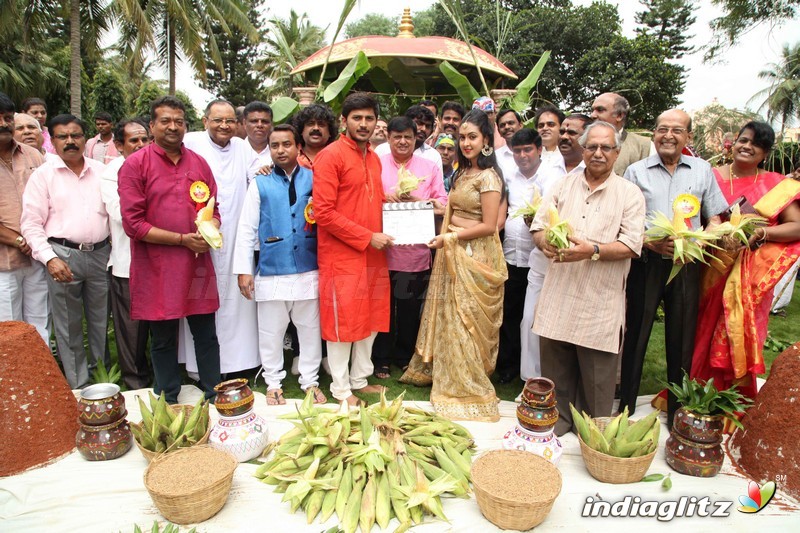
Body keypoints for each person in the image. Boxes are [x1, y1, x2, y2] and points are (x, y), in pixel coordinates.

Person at [531, 121, 646, 436]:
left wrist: (592, 250)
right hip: (559, 296)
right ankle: (557, 425)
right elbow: (539, 228)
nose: (598, 153)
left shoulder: (629, 194)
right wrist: (546, 243)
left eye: (605, 147)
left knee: (598, 384)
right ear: (583, 149)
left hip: (600, 301)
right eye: (592, 146)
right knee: (555, 376)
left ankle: (594, 435)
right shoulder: (562, 186)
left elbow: (632, 245)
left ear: (617, 152)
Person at [619, 109, 728, 424]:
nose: (669, 135)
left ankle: (678, 410)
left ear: (688, 137)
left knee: (681, 338)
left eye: (677, 130)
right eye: (662, 129)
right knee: (637, 333)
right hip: (648, 261)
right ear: (654, 134)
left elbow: (716, 218)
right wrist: (647, 242)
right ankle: (625, 405)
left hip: (687, 264)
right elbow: (624, 220)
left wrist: (698, 243)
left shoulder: (702, 170)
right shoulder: (636, 171)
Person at [401, 109, 508, 422]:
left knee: (468, 320)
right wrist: (435, 208)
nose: (466, 143)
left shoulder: (489, 177)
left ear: (486, 140)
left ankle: (468, 380)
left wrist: (451, 235)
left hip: (476, 256)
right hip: (454, 252)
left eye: (472, 137)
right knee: (451, 316)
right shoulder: (463, 173)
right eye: (462, 137)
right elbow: (454, 208)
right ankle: (449, 371)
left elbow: (489, 225)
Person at [118, 95, 221, 402]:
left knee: (206, 334)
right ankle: (169, 398)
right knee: (162, 339)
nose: (173, 127)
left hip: (198, 262)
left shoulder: (199, 163)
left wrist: (211, 227)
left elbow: (214, 207)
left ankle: (215, 394)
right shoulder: (135, 165)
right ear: (152, 125)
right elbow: (133, 225)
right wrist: (181, 239)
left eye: (179, 121)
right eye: (165, 121)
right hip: (157, 266)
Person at [691, 121, 800, 402]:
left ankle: (729, 399)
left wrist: (761, 233)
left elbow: (796, 227)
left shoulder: (776, 185)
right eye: (744, 140)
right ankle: (692, 395)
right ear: (732, 143)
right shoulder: (709, 175)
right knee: (698, 331)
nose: (747, 147)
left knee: (736, 333)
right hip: (707, 267)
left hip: (748, 276)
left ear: (764, 153)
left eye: (756, 144)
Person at [233, 124, 326, 405]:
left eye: (286, 144)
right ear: (269, 150)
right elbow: (247, 228)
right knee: (271, 330)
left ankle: (310, 380)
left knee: (310, 330)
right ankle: (273, 380)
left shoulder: (314, 179)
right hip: (273, 268)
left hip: (308, 266)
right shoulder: (260, 182)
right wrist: (244, 270)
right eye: (275, 146)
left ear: (298, 147)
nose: (281, 150)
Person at [21, 114, 110, 389]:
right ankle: (79, 387)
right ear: (53, 140)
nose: (70, 141)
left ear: (85, 138)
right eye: (63, 136)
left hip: (100, 255)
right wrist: (49, 258)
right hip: (63, 256)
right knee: (68, 326)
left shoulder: (102, 171)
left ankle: (103, 383)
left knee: (100, 322)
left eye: (75, 135)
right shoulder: (43, 176)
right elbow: (31, 224)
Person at [313, 92, 391, 407]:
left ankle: (360, 378)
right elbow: (324, 212)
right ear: (344, 121)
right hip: (342, 255)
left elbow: (371, 198)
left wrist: (394, 202)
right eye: (356, 118)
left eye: (369, 118)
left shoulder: (372, 156)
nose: (363, 124)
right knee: (343, 322)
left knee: (370, 319)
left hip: (373, 253)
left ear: (375, 122)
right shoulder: (330, 156)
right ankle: (341, 389)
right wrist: (366, 236)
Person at [180, 99, 259, 377]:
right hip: (198, 237)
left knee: (236, 300)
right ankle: (199, 369)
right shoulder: (191, 143)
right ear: (205, 121)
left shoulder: (242, 147)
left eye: (229, 121)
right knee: (201, 296)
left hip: (236, 232)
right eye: (217, 120)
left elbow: (257, 172)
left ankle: (240, 364)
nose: (224, 126)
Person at [372, 116, 447, 380]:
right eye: (397, 136)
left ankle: (404, 356)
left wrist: (420, 199)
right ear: (389, 138)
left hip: (414, 251)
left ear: (416, 139)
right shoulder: (376, 164)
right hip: (381, 249)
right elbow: (366, 196)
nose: (402, 141)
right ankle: (379, 357)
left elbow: (442, 202)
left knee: (407, 307)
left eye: (408, 136)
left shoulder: (429, 166)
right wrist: (385, 198)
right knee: (381, 306)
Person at [499, 128, 565, 383]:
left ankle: (538, 370)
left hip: (539, 258)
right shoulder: (509, 176)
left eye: (528, 149)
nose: (522, 155)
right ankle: (508, 366)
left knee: (533, 318)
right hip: (511, 256)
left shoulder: (551, 177)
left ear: (539, 150)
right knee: (510, 314)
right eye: (517, 151)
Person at [100, 118, 152, 390]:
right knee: (132, 332)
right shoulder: (111, 174)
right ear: (119, 145)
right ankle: (136, 386)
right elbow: (124, 216)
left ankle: (163, 381)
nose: (141, 145)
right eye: (134, 140)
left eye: (145, 139)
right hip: (127, 264)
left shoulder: (158, 165)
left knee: (164, 328)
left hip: (161, 262)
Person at [0, 93, 48, 343]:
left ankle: (42, 378)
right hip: (4, 264)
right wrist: (21, 240)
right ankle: (10, 382)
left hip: (37, 258)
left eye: (7, 118)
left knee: (40, 323)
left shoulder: (32, 156)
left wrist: (36, 242)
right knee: (9, 329)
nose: (3, 124)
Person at [590, 92, 654, 175]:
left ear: (619, 116)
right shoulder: (580, 143)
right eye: (592, 110)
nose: (592, 115)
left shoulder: (645, 146)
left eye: (600, 110)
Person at [375, 105, 442, 172]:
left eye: (428, 126)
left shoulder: (433, 156)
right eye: (419, 123)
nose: (424, 129)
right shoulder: (382, 150)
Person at [293, 103, 337, 168]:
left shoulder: (338, 157)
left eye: (321, 124)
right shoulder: (292, 156)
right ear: (301, 130)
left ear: (330, 132)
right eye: (310, 124)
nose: (316, 128)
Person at [243, 101, 273, 183]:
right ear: (245, 124)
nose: (259, 125)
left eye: (264, 121)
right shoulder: (235, 151)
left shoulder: (278, 153)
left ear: (271, 125)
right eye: (254, 121)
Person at [535, 104, 566, 170]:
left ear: (561, 128)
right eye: (541, 126)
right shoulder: (531, 155)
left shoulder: (569, 155)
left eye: (551, 125)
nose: (545, 128)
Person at [494, 109, 523, 180]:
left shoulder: (535, 151)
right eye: (502, 125)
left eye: (511, 123)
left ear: (520, 125)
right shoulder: (496, 157)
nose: (506, 127)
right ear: (499, 132)